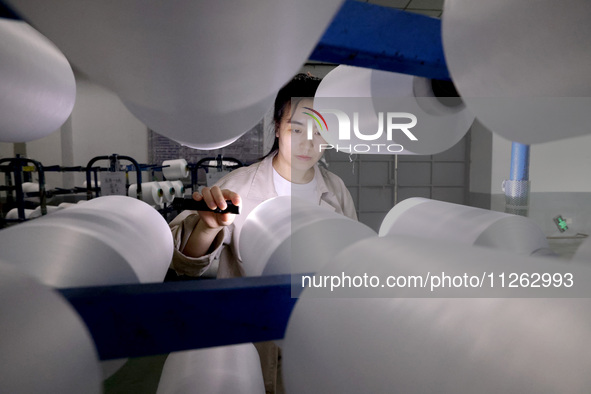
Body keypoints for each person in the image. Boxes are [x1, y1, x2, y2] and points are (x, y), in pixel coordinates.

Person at [168, 73, 357, 393]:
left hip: (316, 338)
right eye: (296, 128)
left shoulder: (335, 189)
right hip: (253, 339)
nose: (307, 143)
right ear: (277, 127)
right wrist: (209, 226)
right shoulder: (239, 186)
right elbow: (184, 258)